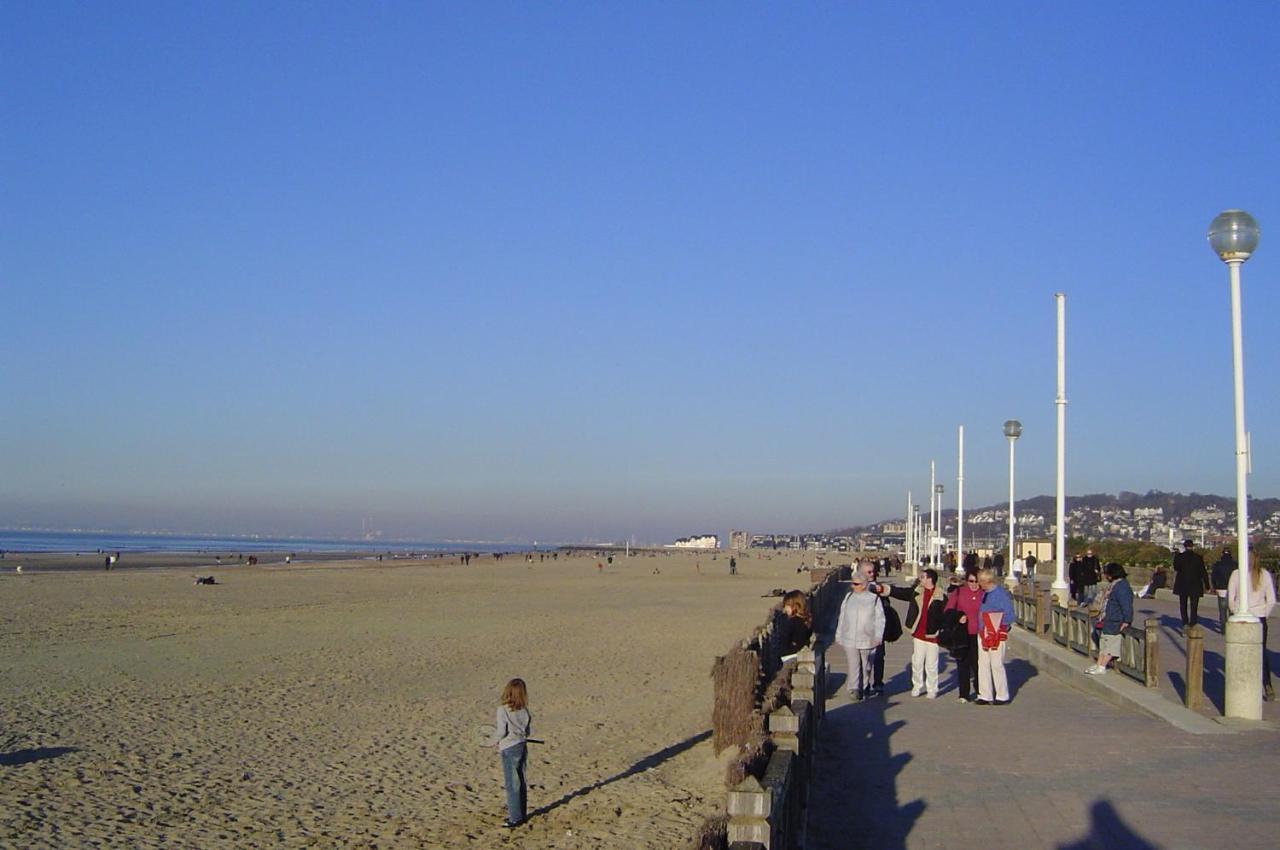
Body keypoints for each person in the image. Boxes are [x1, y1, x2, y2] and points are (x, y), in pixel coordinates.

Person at [882, 568, 947, 698]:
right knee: (917, 661)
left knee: (931, 664)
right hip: (918, 633)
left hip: (932, 634)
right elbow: (902, 593)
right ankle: (917, 685)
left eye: (922, 577)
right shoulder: (917, 592)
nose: (920, 579)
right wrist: (887, 590)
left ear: (930, 579)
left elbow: (946, 615)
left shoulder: (941, 596)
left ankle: (932, 689)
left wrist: (943, 630)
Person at [1227, 552, 1276, 701]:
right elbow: (1272, 599)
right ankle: (1267, 684)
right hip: (1259, 618)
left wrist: (1237, 612)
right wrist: (1263, 613)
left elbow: (1230, 599)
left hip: (1242, 617)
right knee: (1261, 652)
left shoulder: (1236, 574)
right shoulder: (1265, 574)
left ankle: (1243, 684)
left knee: (1240, 651)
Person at [835, 573, 885, 701]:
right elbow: (842, 616)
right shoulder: (849, 596)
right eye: (852, 583)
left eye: (856, 584)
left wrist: (878, 636)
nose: (853, 586)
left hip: (868, 638)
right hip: (849, 636)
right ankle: (854, 689)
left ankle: (865, 685)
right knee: (853, 664)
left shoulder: (874, 599)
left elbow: (880, 619)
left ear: (864, 585)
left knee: (867, 665)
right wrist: (839, 634)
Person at [489, 678, 532, 828]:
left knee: (512, 783)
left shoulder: (502, 710)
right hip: (521, 746)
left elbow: (501, 731)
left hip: (509, 748)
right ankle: (522, 814)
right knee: (520, 780)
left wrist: (491, 741)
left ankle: (515, 818)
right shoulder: (525, 711)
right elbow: (527, 731)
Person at [975, 569, 1015, 704]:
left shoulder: (1000, 595)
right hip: (983, 632)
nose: (979, 584)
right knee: (983, 663)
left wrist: (1000, 626)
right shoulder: (984, 594)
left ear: (987, 581)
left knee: (997, 664)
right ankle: (985, 694)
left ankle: (1002, 695)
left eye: (981, 581)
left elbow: (1009, 615)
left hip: (996, 632)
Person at [1086, 564, 1133, 675]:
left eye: (1106, 573)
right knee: (1104, 642)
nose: (1105, 576)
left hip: (1115, 619)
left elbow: (1126, 606)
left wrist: (1127, 620)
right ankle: (1099, 664)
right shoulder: (1113, 585)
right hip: (1107, 618)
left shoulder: (1122, 587)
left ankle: (1102, 666)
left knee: (1111, 644)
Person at [944, 569, 983, 703]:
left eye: (977, 581)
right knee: (963, 663)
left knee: (978, 664)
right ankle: (964, 694)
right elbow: (948, 609)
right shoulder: (959, 592)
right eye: (971, 581)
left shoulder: (984, 594)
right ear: (967, 581)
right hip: (962, 633)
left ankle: (980, 691)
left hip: (979, 634)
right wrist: (958, 616)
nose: (974, 584)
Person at [1173, 539, 1210, 628]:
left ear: (1185, 547)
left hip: (1182, 584)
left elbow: (1176, 568)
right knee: (1194, 606)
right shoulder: (1198, 558)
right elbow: (1203, 572)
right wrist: (1207, 585)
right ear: (1192, 546)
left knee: (1183, 605)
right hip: (1195, 584)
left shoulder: (1179, 557)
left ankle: (1185, 623)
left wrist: (1176, 555)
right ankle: (1193, 623)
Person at [779, 590, 813, 660]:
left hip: (792, 656)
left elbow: (785, 643)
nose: (784, 609)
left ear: (795, 606)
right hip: (800, 654)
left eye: (786, 606)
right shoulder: (804, 621)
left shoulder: (794, 622)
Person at [1210, 547, 1237, 628]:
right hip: (1234, 589)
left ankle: (1223, 628)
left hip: (1221, 588)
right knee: (1232, 609)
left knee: (1222, 610)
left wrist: (1214, 586)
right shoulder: (1235, 565)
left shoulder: (1218, 564)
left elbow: (1213, 576)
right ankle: (1232, 626)